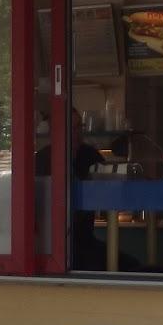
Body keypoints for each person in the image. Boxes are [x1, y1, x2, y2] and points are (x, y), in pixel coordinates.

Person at [37, 108, 107, 270]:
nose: (77, 133)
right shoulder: (41, 161)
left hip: (84, 240)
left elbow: (106, 195)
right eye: (72, 128)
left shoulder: (90, 156)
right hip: (50, 244)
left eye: (79, 127)